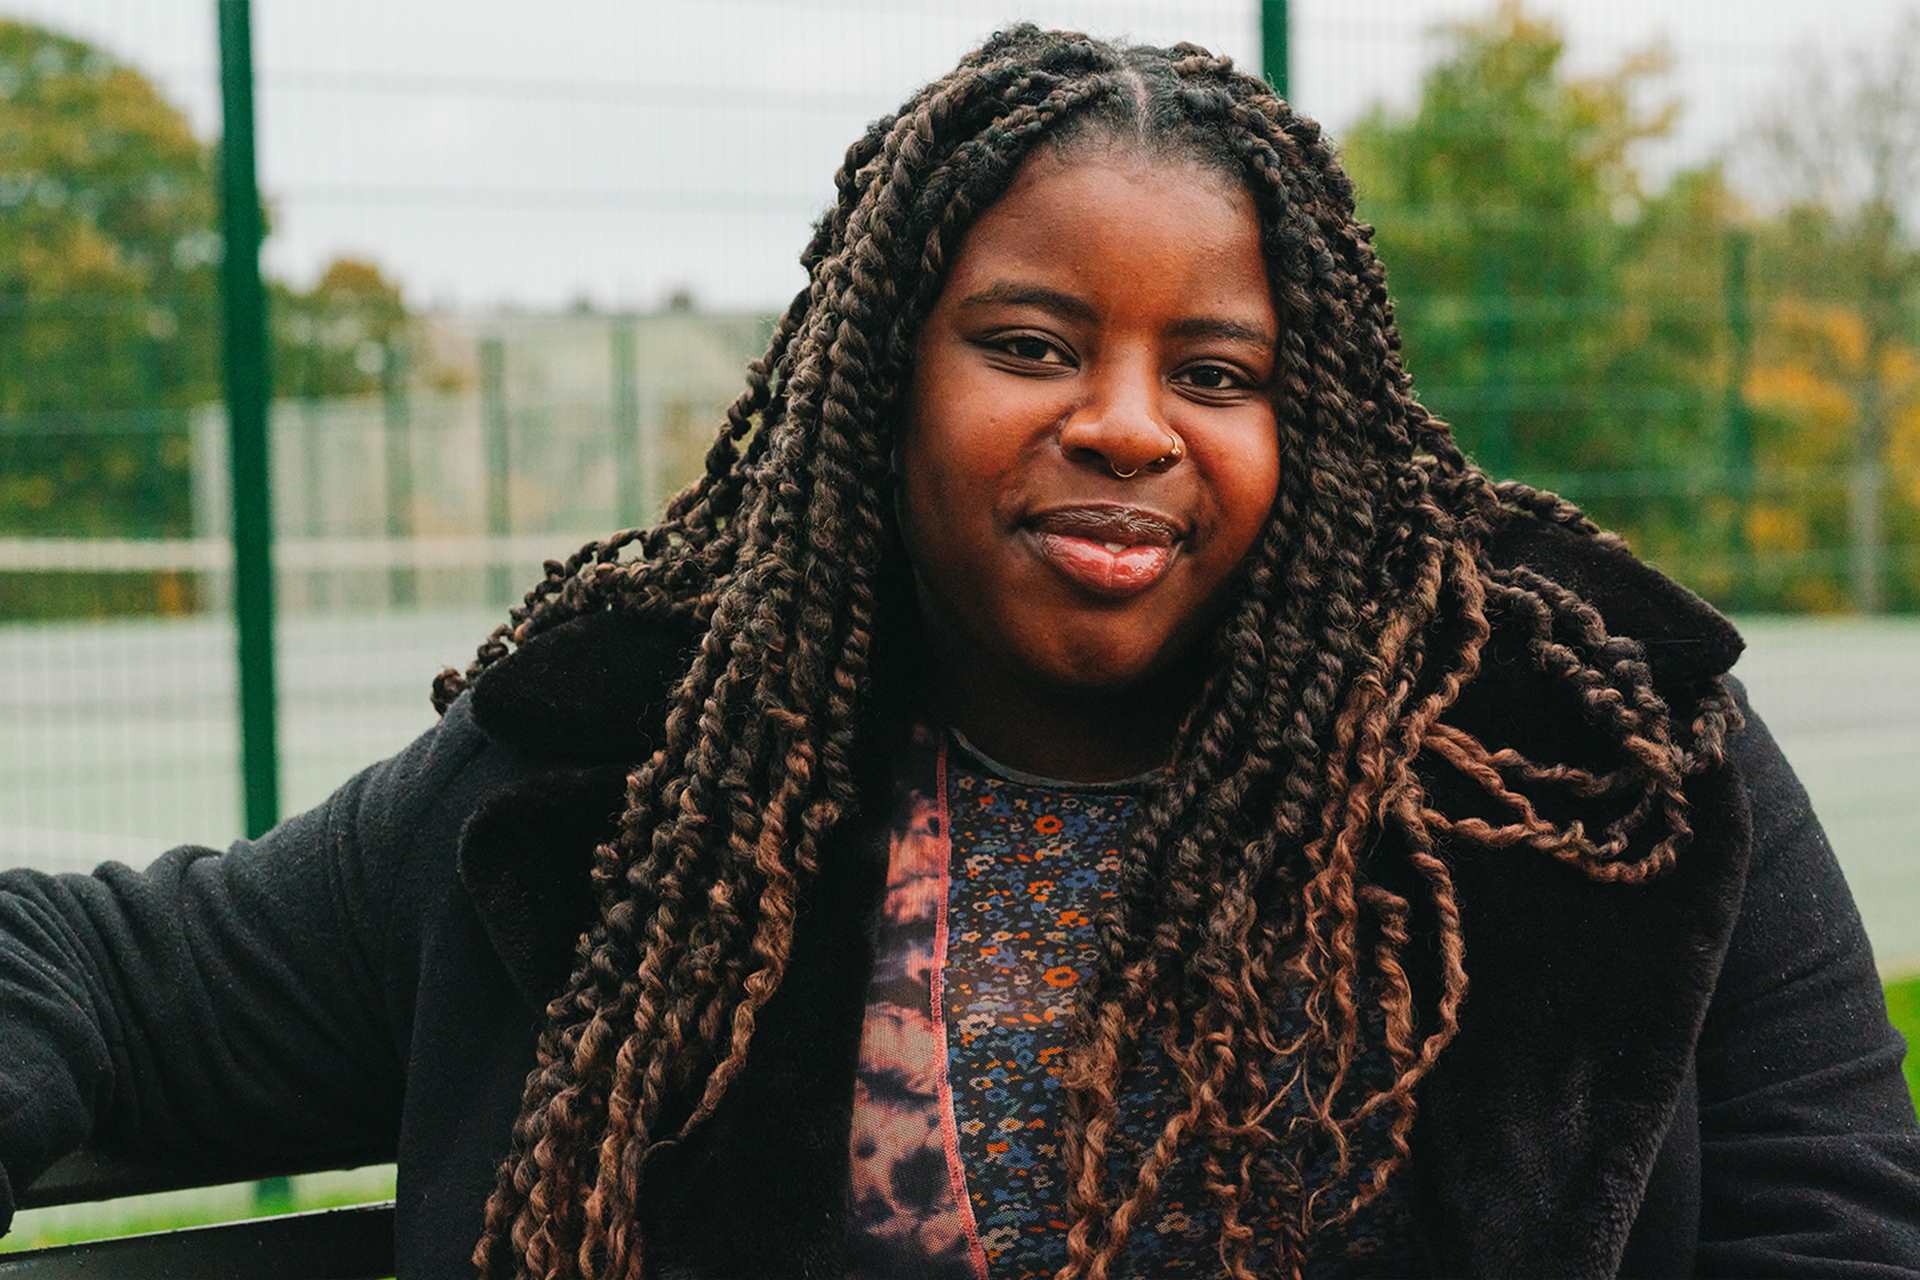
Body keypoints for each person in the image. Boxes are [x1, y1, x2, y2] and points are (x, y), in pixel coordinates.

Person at [3, 23, 1917, 1280]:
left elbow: (1835, 1218)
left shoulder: (1593, 758)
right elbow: (117, 980)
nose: (1127, 422)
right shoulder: (633, 775)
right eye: (1031, 345)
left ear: (1308, 427)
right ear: (878, 395)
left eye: (1220, 373)